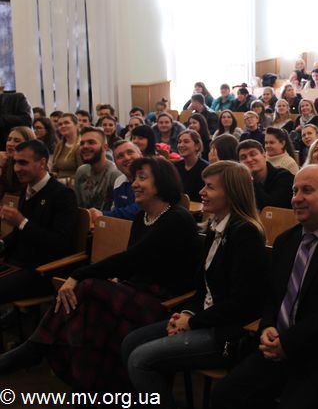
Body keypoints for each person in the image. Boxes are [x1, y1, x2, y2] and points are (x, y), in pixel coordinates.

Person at [0, 157, 201, 389]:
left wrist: (78, 275)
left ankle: (36, 349)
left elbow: (131, 258)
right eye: (134, 178)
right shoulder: (142, 217)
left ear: (162, 183)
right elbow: (132, 266)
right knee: (88, 310)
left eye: (142, 178)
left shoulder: (176, 218)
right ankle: (85, 384)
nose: (134, 184)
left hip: (165, 301)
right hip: (137, 291)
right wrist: (112, 279)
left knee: (87, 287)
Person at [209, 164, 318, 409]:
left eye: (307, 190)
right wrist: (268, 326)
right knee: (224, 395)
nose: (296, 198)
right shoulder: (286, 240)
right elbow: (272, 296)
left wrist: (288, 342)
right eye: (294, 191)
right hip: (277, 347)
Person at [122, 161, 267, 407]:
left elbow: (242, 304)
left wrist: (191, 322)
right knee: (130, 342)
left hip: (227, 334)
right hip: (203, 320)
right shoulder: (215, 227)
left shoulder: (246, 234)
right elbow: (202, 288)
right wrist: (187, 313)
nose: (201, 192)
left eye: (210, 187)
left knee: (140, 360)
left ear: (231, 193)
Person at [0, 140, 78, 303]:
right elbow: (19, 235)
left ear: (42, 163)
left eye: (23, 163)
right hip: (18, 264)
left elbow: (60, 243)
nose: (17, 169)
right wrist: (1, 244)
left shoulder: (63, 195)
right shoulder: (26, 190)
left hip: (44, 270)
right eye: (15, 162)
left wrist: (22, 222)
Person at [88, 140, 142, 222]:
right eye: (120, 156)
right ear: (115, 164)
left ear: (140, 155)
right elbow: (116, 211)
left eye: (130, 152)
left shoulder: (153, 176)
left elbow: (142, 208)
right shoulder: (119, 181)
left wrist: (104, 215)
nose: (127, 158)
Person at [73, 127, 123, 210]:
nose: (85, 146)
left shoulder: (115, 174)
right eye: (82, 143)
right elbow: (78, 206)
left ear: (105, 147)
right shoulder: (81, 171)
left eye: (91, 142)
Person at [238, 139, 294, 211]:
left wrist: (250, 180)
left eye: (253, 154)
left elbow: (270, 210)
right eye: (243, 157)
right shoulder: (239, 182)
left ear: (264, 155)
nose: (249, 159)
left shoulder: (284, 177)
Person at [0, 127, 36, 199]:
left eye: (17, 141)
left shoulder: (35, 165)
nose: (10, 144)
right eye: (9, 139)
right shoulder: (5, 161)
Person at [173, 130, 208, 203]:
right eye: (179, 142)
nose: (181, 145)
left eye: (186, 142)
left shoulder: (206, 169)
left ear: (197, 146)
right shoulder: (175, 166)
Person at [51, 113, 83, 181]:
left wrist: (64, 181)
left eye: (66, 123)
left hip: (74, 184)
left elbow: (83, 174)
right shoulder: (59, 145)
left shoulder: (81, 146)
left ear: (77, 125)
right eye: (60, 124)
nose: (63, 126)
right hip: (58, 182)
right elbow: (54, 168)